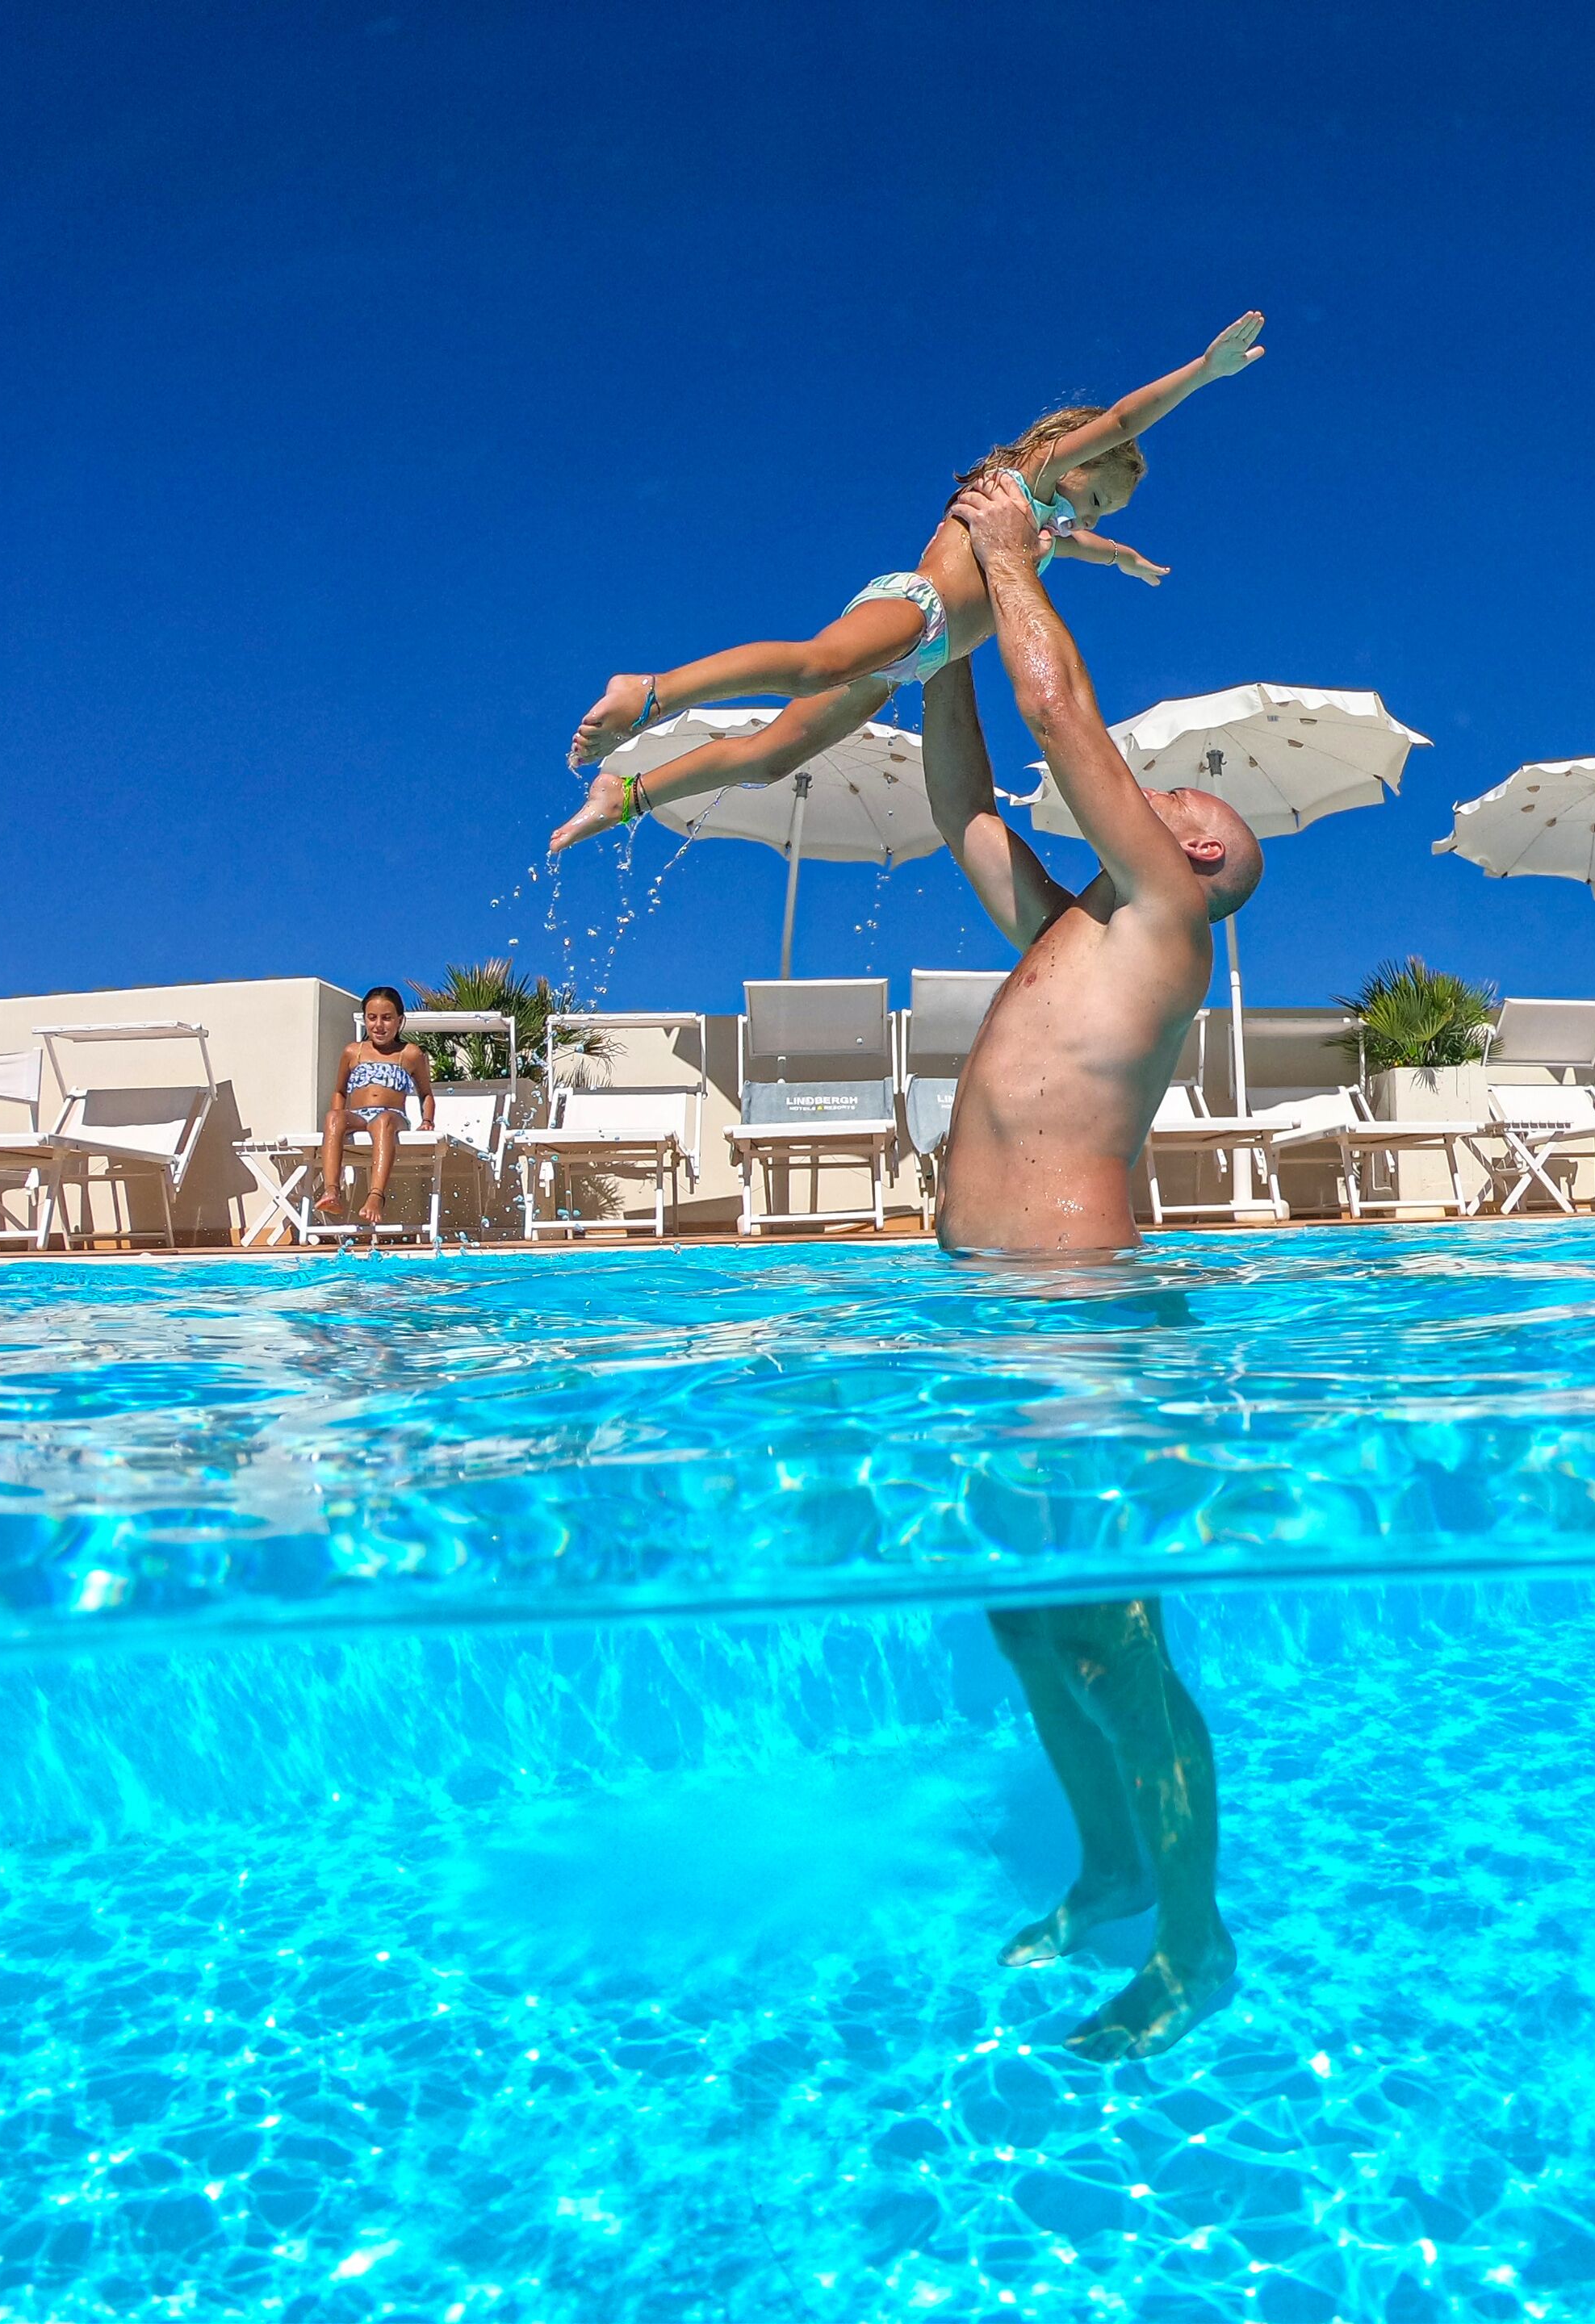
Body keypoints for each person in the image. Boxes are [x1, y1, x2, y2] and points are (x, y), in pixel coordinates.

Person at [912, 470, 1262, 2060]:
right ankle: (1116, 1867)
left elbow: (1065, 728)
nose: (1174, 800)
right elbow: (971, 813)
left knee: (1117, 1637)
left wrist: (1008, 552)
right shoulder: (1074, 930)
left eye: (1199, 813)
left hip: (1077, 1325)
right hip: (990, 1313)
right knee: (1025, 1623)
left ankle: (1198, 1949)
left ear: (1204, 861)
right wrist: (940, 644)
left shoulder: (1168, 924)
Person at [544, 311, 1267, 858]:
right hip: (914, 617)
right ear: (1076, 464)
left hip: (912, 666)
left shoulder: (1040, 530)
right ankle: (649, 690)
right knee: (812, 665)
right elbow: (1120, 418)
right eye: (1101, 496)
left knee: (773, 757)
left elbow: (1085, 547)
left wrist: (1125, 559)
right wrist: (1202, 372)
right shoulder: (1025, 479)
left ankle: (628, 794)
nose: (1092, 513)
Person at [318, 986, 433, 1227]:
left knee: (384, 1120)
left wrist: (427, 1121)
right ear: (365, 1020)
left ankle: (376, 1196)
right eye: (372, 1018)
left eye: (387, 1018)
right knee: (333, 1117)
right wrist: (339, 1116)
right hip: (359, 1117)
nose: (379, 1025)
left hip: (393, 1117)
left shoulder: (410, 1054)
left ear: (400, 1020)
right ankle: (332, 1191)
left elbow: (426, 1094)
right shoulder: (353, 1052)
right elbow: (340, 1091)